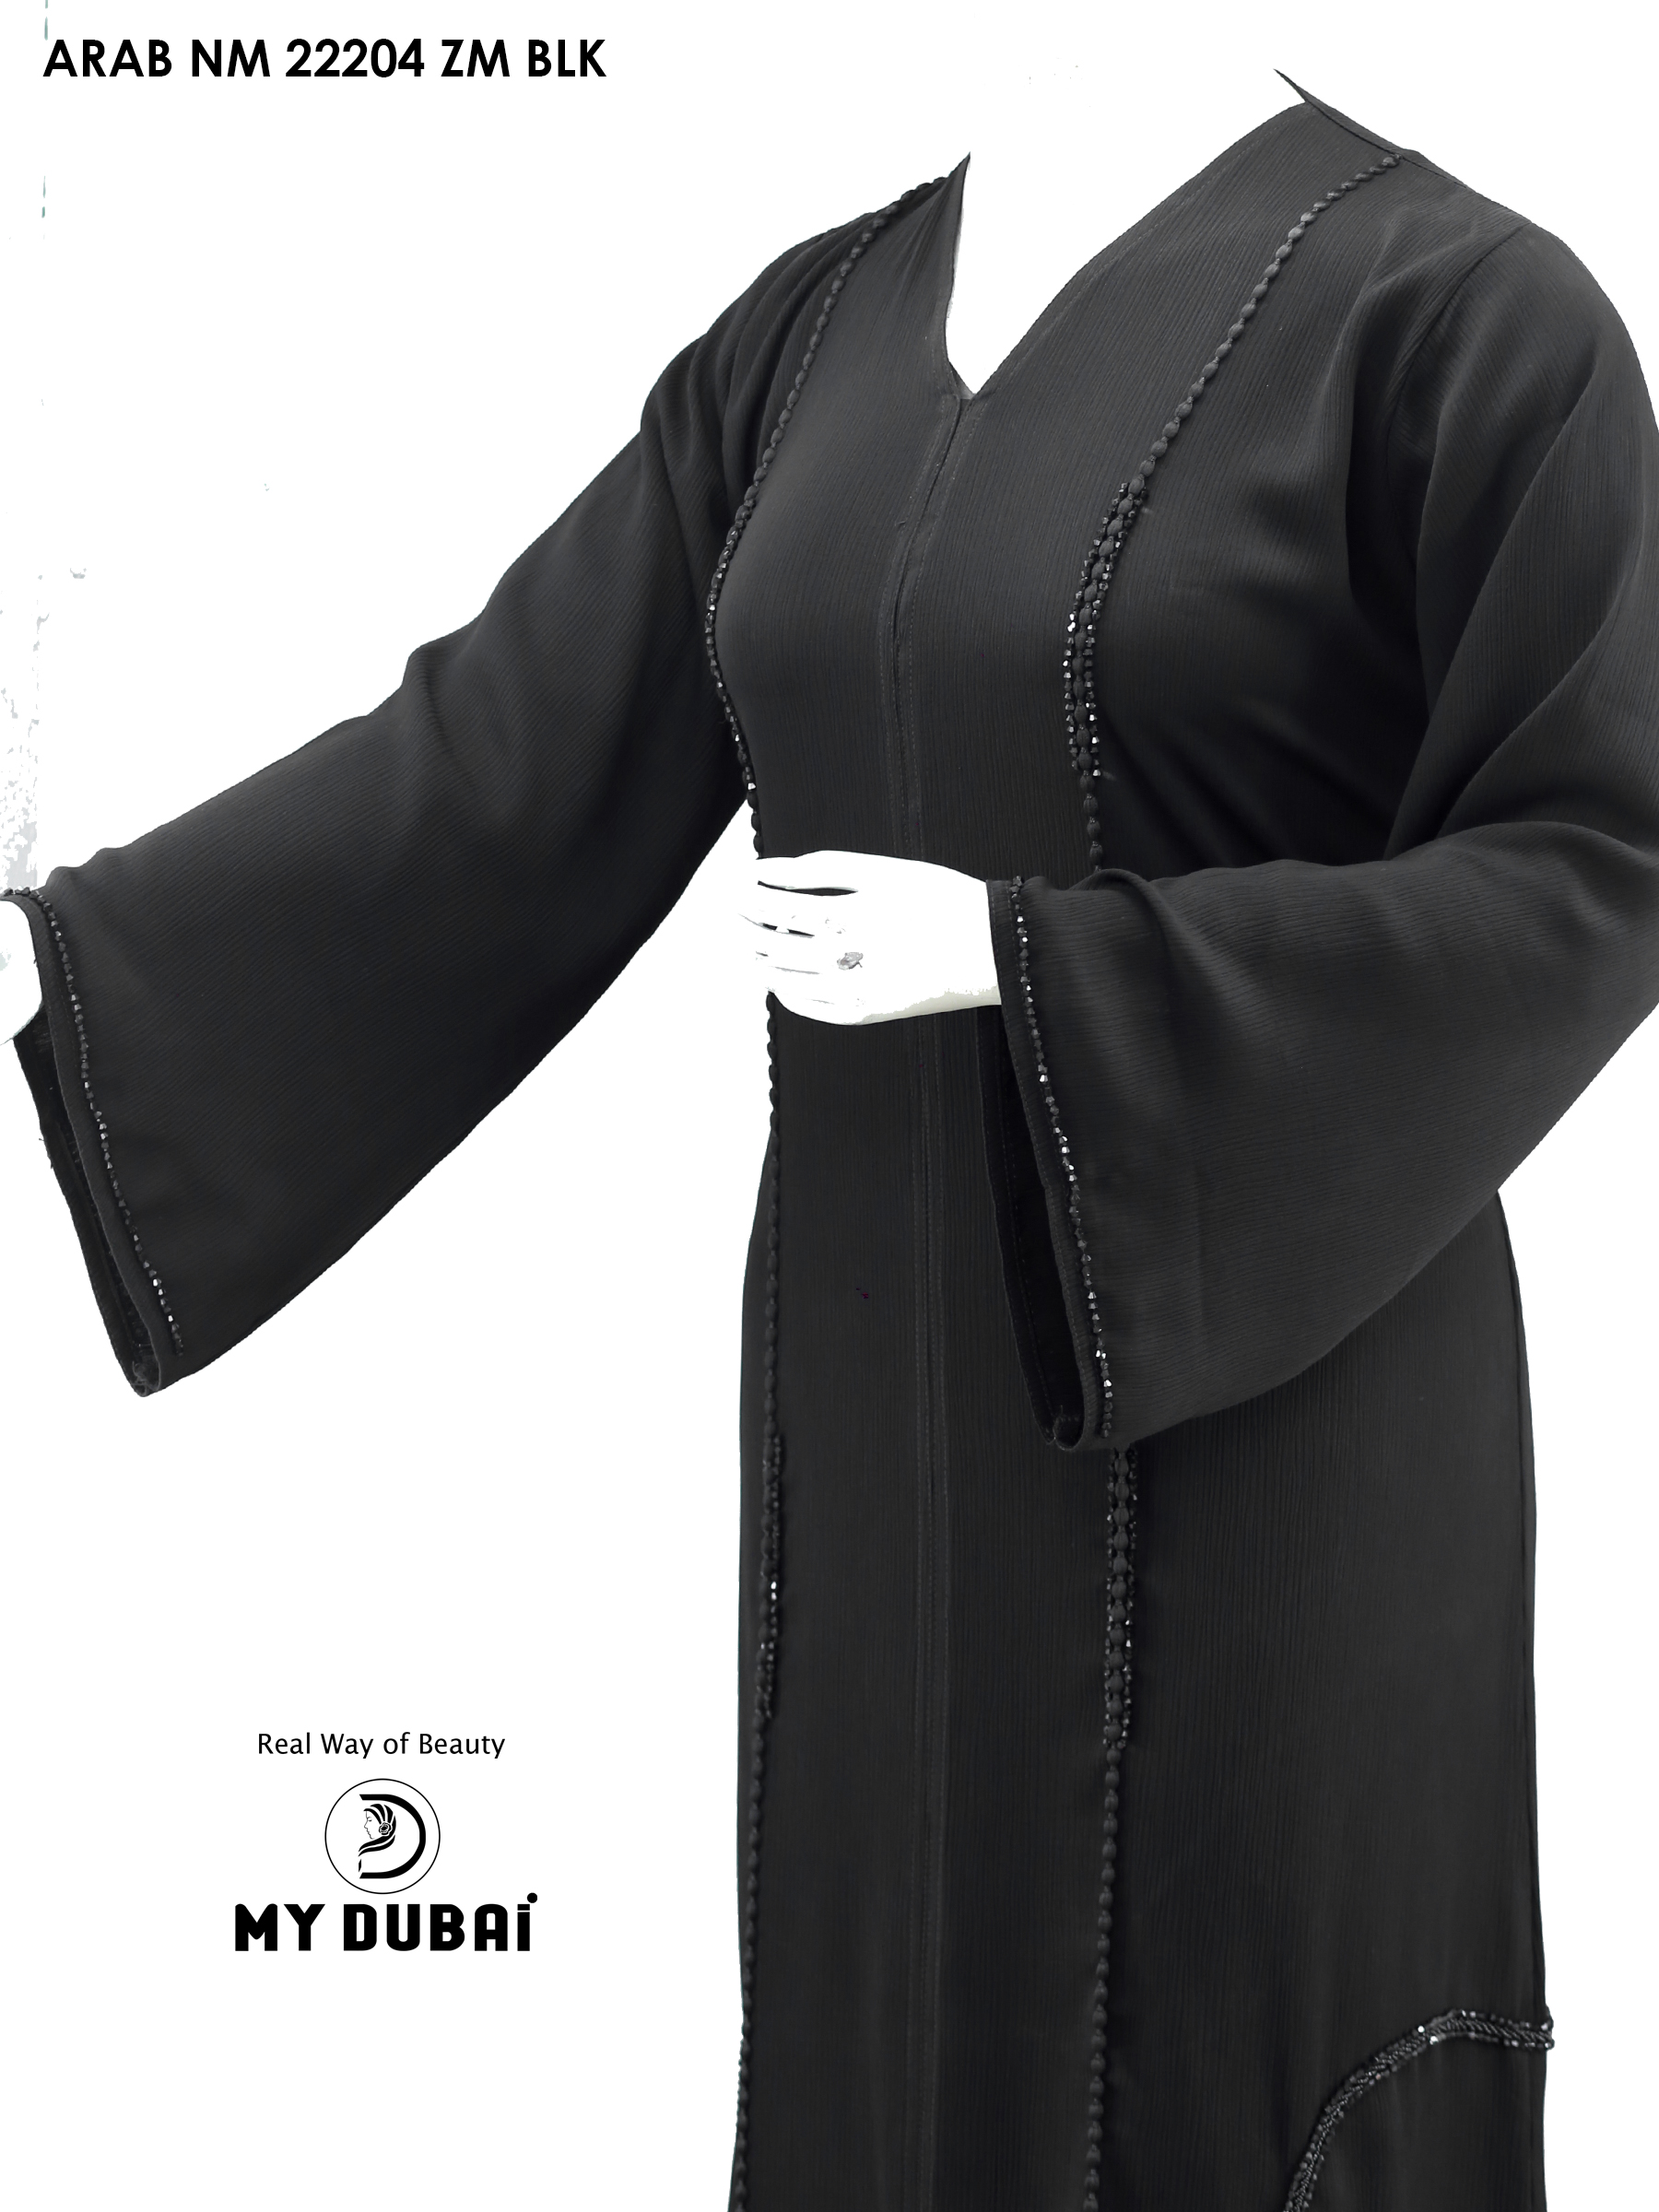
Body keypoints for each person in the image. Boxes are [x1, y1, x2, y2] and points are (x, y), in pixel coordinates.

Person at [6, 74, 1658, 2212]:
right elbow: (509, 759)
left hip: (1284, 1403)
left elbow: (1600, 849)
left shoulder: (1456, 309)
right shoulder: (810, 342)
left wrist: (1040, 964)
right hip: (880, 1409)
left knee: (1229, 2045)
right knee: (885, 2027)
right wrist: (72, 967)